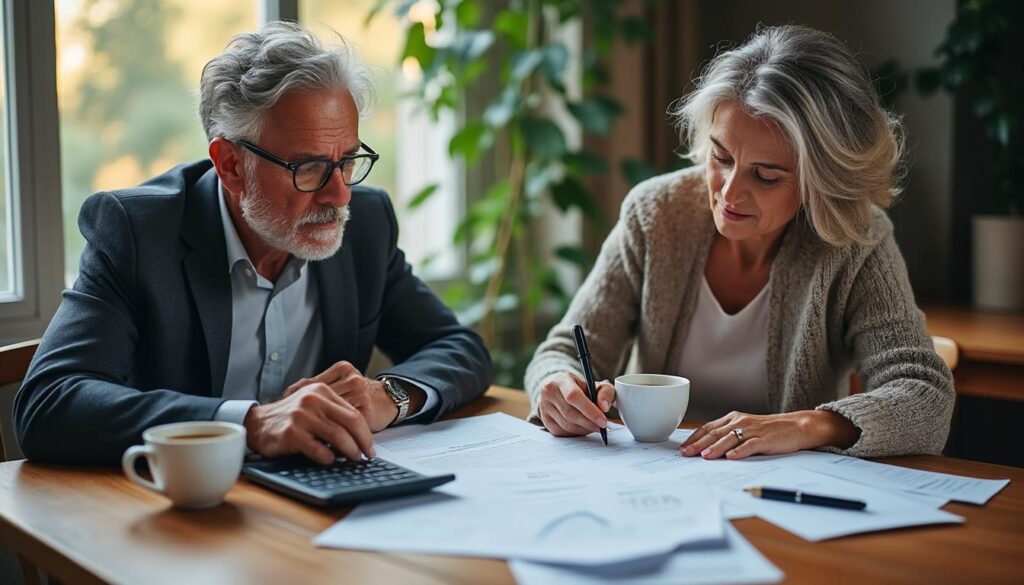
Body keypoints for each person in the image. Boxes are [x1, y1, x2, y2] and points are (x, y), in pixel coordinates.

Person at [15, 21, 491, 466]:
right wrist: (250, 422)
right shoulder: (139, 232)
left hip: (323, 505)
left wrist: (390, 396)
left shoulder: (366, 224)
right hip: (182, 516)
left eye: (347, 160)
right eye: (308, 167)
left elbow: (459, 347)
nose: (339, 194)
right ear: (230, 165)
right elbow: (50, 402)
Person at [525, 25, 954, 459]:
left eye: (766, 176)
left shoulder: (855, 240)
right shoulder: (656, 214)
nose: (729, 193)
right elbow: (564, 349)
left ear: (821, 181)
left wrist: (804, 424)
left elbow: (925, 396)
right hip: (657, 479)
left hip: (785, 493)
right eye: (720, 157)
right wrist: (556, 386)